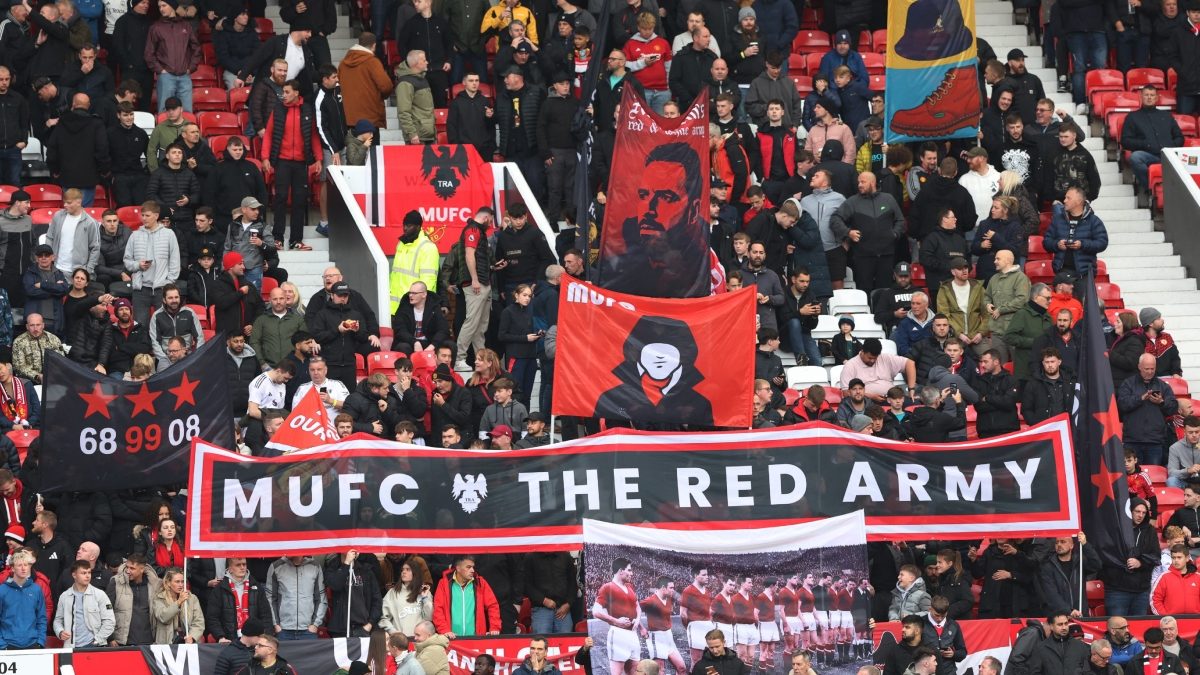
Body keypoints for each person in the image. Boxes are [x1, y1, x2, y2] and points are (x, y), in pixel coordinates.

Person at [596, 142, 709, 298]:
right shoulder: (620, 255)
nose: (650, 209)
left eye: (665, 197)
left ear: (694, 209)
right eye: (643, 195)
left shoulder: (705, 260)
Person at [830, 172, 904, 294]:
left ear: (872, 182)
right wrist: (848, 233)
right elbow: (835, 219)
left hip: (886, 255)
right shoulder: (853, 202)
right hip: (862, 256)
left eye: (863, 182)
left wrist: (894, 234)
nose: (859, 185)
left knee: (885, 291)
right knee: (863, 291)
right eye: (859, 182)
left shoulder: (888, 199)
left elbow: (900, 220)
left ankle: (882, 313)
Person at [123, 201, 181, 325]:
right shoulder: (134, 235)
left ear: (156, 215)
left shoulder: (169, 234)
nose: (144, 218)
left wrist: (169, 282)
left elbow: (175, 261)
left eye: (147, 215)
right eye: (142, 215)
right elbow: (127, 261)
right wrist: (138, 265)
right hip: (140, 289)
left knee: (165, 325)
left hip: (162, 288)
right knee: (140, 327)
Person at [46, 97, 110, 207]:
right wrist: (104, 170)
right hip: (89, 176)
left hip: (67, 175)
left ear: (73, 104)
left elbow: (52, 149)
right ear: (88, 105)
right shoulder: (96, 123)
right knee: (84, 215)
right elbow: (102, 149)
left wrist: (55, 170)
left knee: (70, 211)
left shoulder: (62, 122)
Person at [1118, 353, 1179, 467]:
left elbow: (1173, 408)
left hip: (1155, 441)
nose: (1150, 372)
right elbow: (1122, 405)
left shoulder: (1163, 386)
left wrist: (1161, 402)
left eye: (1152, 369)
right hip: (1132, 441)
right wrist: (1140, 398)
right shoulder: (1128, 384)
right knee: (1132, 479)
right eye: (1147, 369)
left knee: (1153, 477)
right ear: (1139, 366)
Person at [144, 0, 198, 112]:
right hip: (166, 77)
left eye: (164, 6)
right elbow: (149, 53)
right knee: (164, 112)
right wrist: (160, 70)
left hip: (184, 76)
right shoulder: (156, 27)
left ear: (173, 6)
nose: (161, 9)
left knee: (187, 112)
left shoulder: (186, 25)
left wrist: (191, 68)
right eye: (159, 7)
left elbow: (196, 48)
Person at [432, 554, 501, 637]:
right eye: (468, 567)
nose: (472, 570)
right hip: (451, 640)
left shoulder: (480, 583)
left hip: (476, 639)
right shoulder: (443, 584)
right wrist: (444, 630)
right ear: (458, 568)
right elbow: (438, 610)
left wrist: (494, 627)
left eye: (473, 567)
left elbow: (493, 605)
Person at [207, 557, 272, 643]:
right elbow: (212, 617)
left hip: (254, 640)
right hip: (228, 641)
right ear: (230, 569)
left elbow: (266, 615)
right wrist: (220, 637)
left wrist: (265, 637)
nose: (242, 567)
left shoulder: (257, 587)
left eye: (244, 564)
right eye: (238, 565)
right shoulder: (219, 589)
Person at [937, 258, 991, 357]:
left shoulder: (978, 287)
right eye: (960, 268)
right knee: (951, 358)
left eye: (966, 268)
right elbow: (944, 316)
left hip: (977, 335)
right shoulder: (945, 289)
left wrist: (981, 333)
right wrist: (959, 334)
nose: (964, 270)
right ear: (953, 272)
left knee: (990, 359)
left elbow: (987, 313)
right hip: (955, 337)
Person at [53, 559, 114, 647]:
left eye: (89, 572)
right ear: (74, 575)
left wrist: (97, 641)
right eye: (83, 573)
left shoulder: (100, 594)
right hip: (70, 646)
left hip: (93, 645)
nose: (87, 576)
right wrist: (60, 632)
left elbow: (109, 621)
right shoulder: (65, 596)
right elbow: (58, 620)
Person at [388, 210, 440, 315]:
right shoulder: (401, 244)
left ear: (418, 227)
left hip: (414, 308)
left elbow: (428, 282)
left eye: (409, 225)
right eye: (404, 225)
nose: (405, 228)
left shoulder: (428, 247)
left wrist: (420, 306)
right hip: (395, 308)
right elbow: (395, 276)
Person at [264, 556, 326, 641]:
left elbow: (321, 597)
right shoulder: (276, 566)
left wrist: (315, 624)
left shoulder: (315, 566)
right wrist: (276, 624)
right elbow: (270, 598)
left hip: (308, 630)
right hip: (284, 630)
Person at [106, 553, 160, 646]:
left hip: (148, 642)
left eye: (132, 568)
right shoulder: (115, 582)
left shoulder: (155, 584)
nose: (128, 571)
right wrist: (110, 638)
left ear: (142, 569)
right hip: (122, 642)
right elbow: (106, 610)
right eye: (127, 567)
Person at [839, 338, 917, 401]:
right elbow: (846, 393)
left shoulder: (885, 358)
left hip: (892, 399)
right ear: (862, 352)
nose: (872, 361)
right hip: (865, 402)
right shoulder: (850, 365)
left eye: (875, 358)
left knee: (914, 404)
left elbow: (910, 363)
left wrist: (911, 389)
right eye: (869, 358)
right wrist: (869, 396)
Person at [0, 548, 45, 649]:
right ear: (12, 568)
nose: (23, 568)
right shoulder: (2, 591)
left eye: (26, 565)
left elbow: (41, 618)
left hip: (33, 644)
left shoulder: (36, 589)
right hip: (8, 644)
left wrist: (40, 642)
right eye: (19, 565)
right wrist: (2, 645)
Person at [972, 349, 1020, 437]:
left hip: (1008, 431)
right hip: (985, 432)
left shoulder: (1010, 379)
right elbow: (979, 406)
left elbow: (1008, 403)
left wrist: (987, 398)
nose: (982, 365)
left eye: (985, 362)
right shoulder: (978, 381)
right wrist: (1000, 402)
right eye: (981, 362)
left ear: (996, 362)